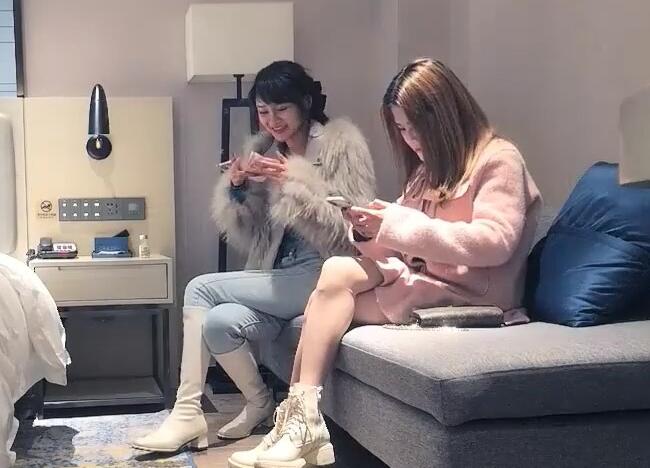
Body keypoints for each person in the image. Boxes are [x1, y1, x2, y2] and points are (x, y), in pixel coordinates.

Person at [231, 58, 542, 467]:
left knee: (325, 301)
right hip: (423, 277)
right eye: (401, 130)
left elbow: (495, 243)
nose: (410, 140)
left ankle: (300, 426)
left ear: (446, 116)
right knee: (335, 272)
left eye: (415, 128)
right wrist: (369, 230)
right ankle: (300, 420)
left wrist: (396, 224)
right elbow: (402, 243)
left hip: (475, 293)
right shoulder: (428, 169)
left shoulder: (498, 159)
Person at [131, 61, 376, 453]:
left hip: (325, 271)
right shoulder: (263, 150)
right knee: (218, 323)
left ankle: (187, 412)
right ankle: (260, 403)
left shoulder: (339, 144)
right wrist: (239, 188)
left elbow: (353, 224)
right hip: (277, 272)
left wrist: (292, 181)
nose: (272, 121)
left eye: (281, 109)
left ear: (305, 103)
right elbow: (250, 234)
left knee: (199, 288)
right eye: (263, 111)